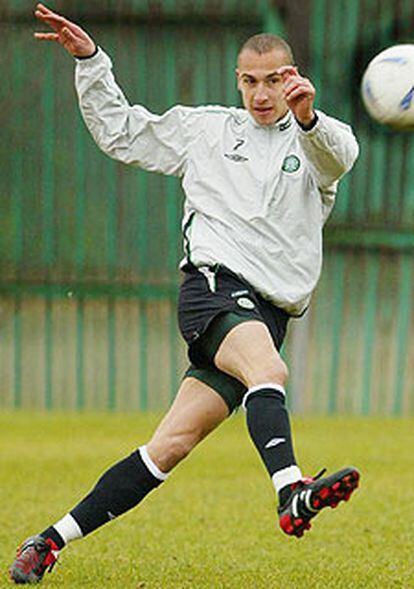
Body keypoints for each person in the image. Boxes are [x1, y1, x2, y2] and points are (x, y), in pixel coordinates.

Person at [10, 3, 360, 584]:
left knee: (165, 450)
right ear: (238, 82)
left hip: (266, 313)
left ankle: (47, 541)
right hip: (214, 291)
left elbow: (337, 159)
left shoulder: (321, 140)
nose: (261, 93)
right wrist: (91, 63)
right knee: (269, 371)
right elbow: (122, 132)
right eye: (249, 81)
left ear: (293, 76)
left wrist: (309, 117)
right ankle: (290, 490)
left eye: (274, 79)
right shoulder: (208, 131)